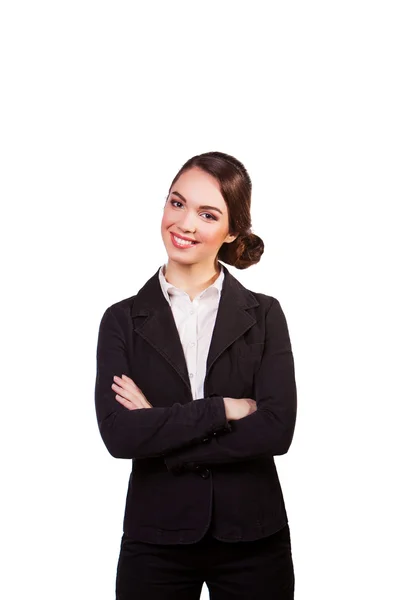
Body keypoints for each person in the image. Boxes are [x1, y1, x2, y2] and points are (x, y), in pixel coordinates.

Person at [95, 150, 297, 599]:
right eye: (177, 202)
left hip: (254, 538)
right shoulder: (122, 320)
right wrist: (222, 409)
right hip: (156, 539)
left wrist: (163, 429)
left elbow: (276, 431)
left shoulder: (264, 314)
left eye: (208, 214)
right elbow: (120, 436)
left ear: (232, 232)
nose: (184, 224)